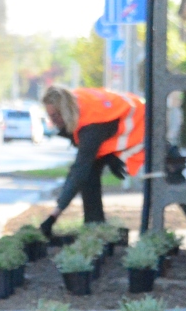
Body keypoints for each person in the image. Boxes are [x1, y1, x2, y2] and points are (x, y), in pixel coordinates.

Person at [38, 85, 146, 239]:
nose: (52, 122)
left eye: (55, 116)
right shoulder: (73, 100)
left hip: (145, 127)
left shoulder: (90, 125)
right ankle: (94, 228)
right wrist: (109, 157)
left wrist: (54, 215)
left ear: (65, 111)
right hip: (124, 122)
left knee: (171, 176)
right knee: (89, 175)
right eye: (50, 116)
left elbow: (78, 172)